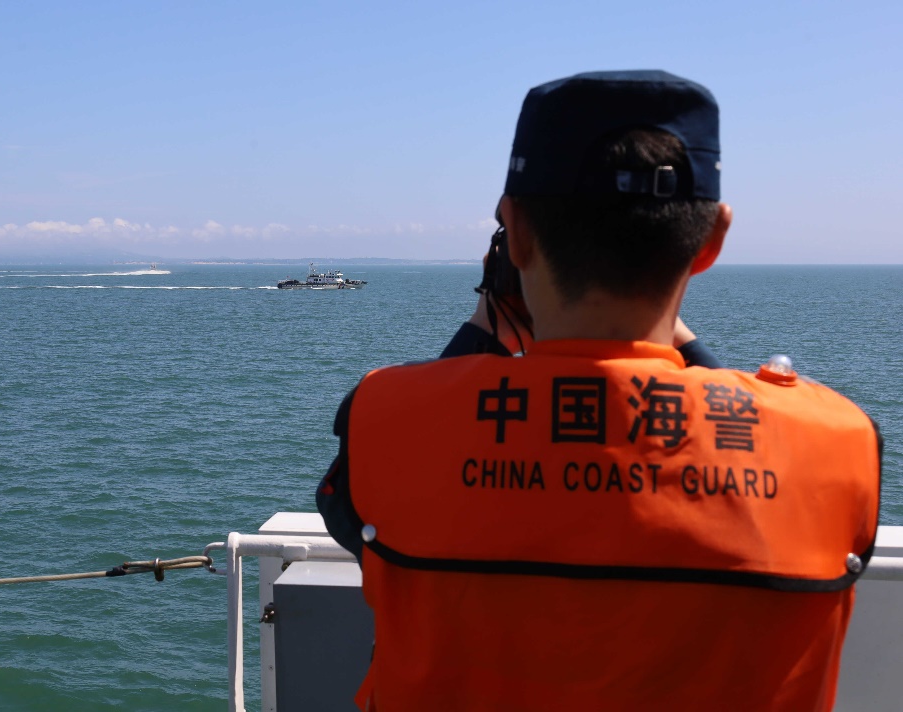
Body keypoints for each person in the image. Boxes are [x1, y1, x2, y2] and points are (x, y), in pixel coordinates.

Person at [316, 70, 881, 711]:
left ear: (517, 232)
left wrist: (485, 324)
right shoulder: (838, 445)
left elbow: (348, 514)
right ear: (711, 241)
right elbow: (735, 447)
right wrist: (677, 340)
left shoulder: (386, 417)